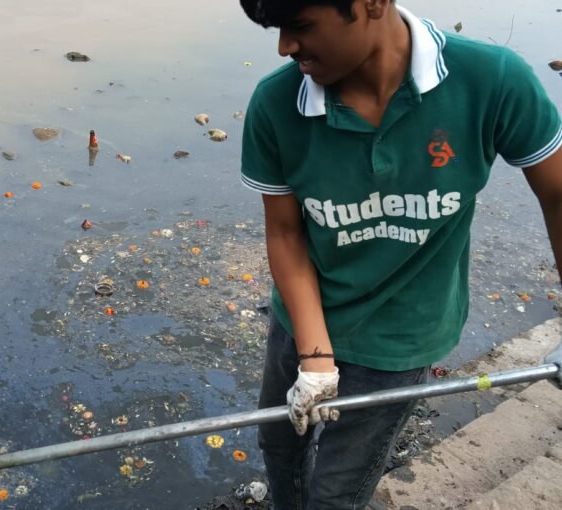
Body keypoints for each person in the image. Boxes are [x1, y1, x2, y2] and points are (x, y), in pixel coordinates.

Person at [237, 1, 562, 508]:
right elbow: (285, 234)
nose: (285, 47)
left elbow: (558, 194)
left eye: (300, 26)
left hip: (399, 339)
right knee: (280, 445)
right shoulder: (277, 103)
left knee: (337, 493)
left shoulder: (490, 81)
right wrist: (314, 357)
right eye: (277, 29)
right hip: (301, 316)